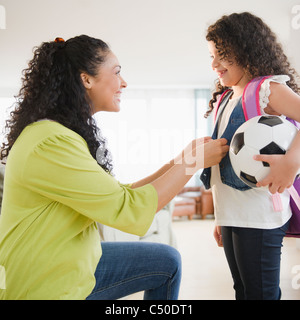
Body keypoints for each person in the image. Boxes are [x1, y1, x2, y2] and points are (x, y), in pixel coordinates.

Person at [0, 35, 228, 300]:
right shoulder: (51, 142)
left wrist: (180, 161)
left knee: (166, 260)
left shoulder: (58, 134)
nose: (124, 82)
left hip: (74, 260)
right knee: (166, 262)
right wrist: (193, 162)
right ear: (86, 79)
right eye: (117, 72)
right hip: (45, 283)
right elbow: (127, 208)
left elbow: (117, 194)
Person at [201, 12, 300, 300]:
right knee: (242, 291)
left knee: (260, 294)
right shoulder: (226, 97)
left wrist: (292, 163)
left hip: (260, 215)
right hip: (233, 214)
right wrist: (221, 217)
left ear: (246, 49)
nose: (214, 64)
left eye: (222, 55)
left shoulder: (268, 89)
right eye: (211, 55)